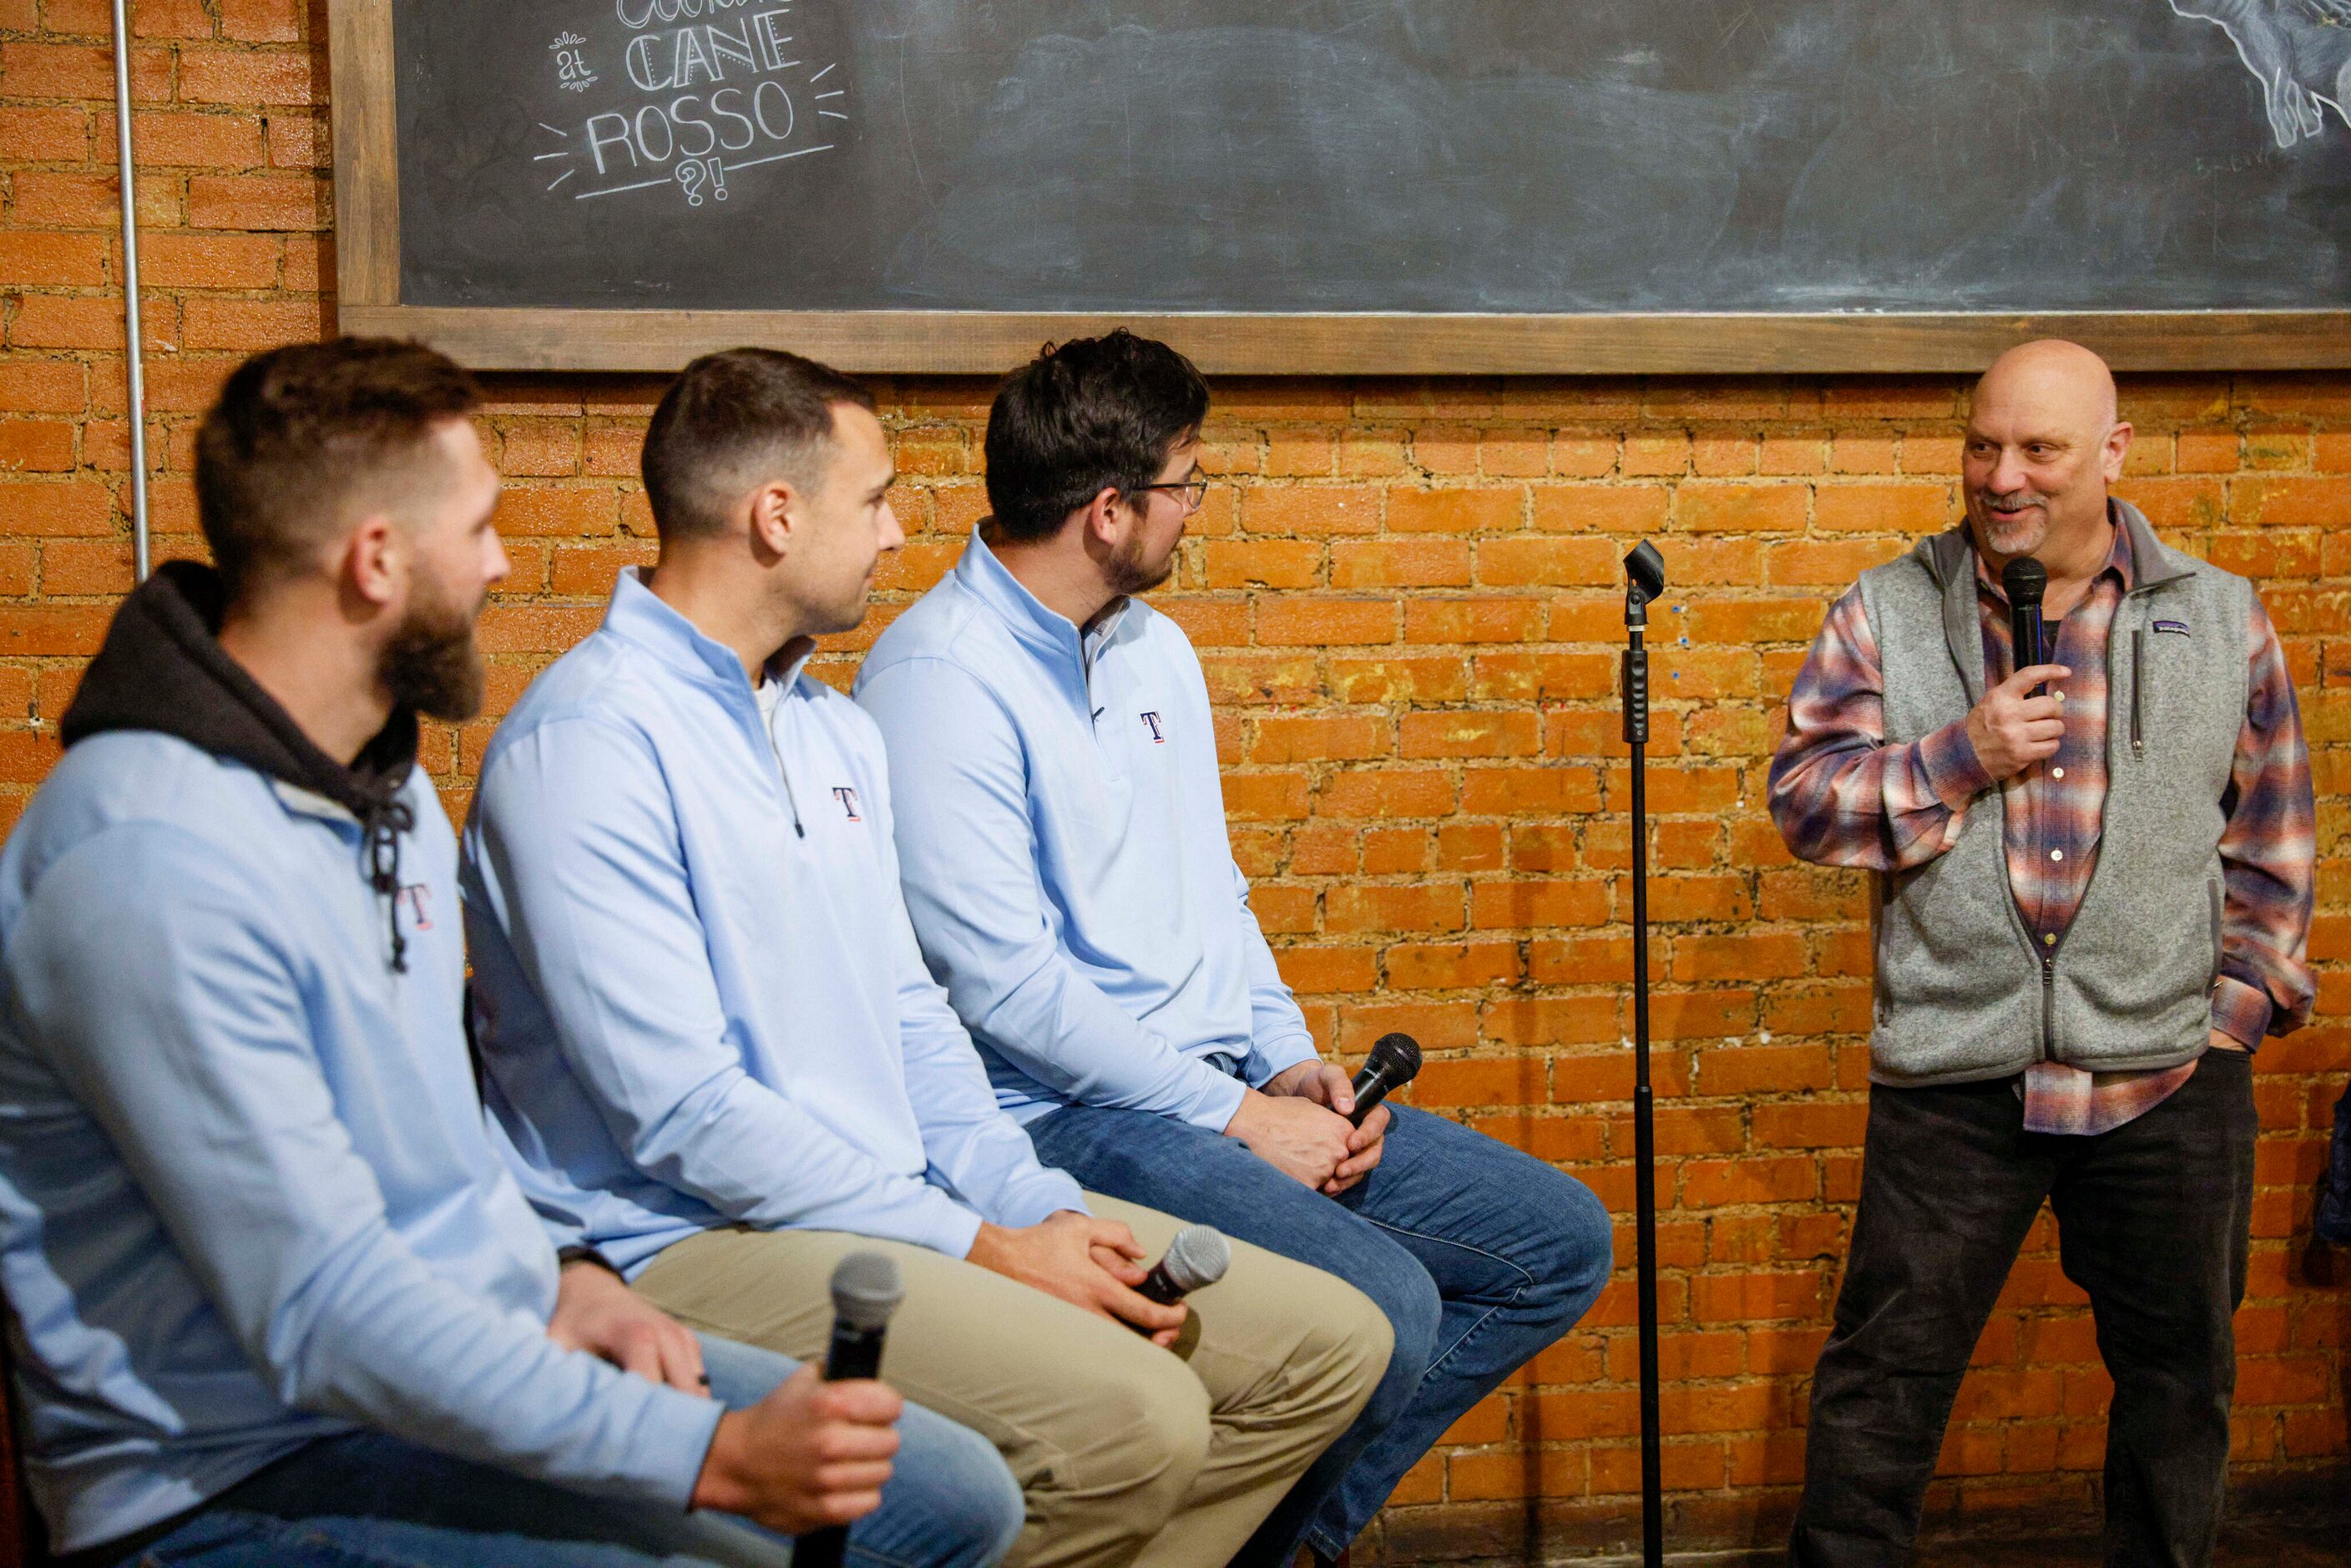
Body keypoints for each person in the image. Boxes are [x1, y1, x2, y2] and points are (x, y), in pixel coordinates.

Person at [0, 338, 1023, 1568]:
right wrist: (707, 1456)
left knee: (954, 1498)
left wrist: (567, 1272)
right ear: (377, 560)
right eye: (479, 529)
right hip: (237, 1474)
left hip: (458, 1349)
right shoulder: (151, 861)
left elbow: (442, 1144)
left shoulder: (383, 795)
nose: (501, 564)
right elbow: (325, 1313)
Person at [461, 346, 1391, 1568]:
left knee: (1336, 1345)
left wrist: (1030, 1201)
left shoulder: (829, 730)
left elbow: (915, 1019)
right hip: (683, 1238)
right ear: (775, 516)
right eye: (877, 498)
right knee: (1139, 1419)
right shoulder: (587, 744)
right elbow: (686, 1117)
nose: (901, 534)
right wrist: (984, 1246)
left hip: (893, 1198)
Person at [852, 330, 1615, 1568]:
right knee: (1392, 1303)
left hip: (1213, 1087)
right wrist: (1235, 1117)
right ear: (1109, 512)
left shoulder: (1157, 648)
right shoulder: (937, 679)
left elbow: (1219, 894)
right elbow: (1008, 989)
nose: (1194, 511)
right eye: (1185, 484)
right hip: (1067, 1114)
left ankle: (1276, 1540)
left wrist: (1292, 1065)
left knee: (1555, 1242)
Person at [1767, 339, 2315, 1568]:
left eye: (2038, 448)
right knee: (1882, 1389)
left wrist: (2230, 1015)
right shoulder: (1885, 608)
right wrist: (1957, 755)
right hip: (1955, 1075)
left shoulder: (2217, 614)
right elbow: (1806, 803)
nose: (2000, 476)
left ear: (2112, 454)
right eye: (1981, 443)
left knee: (2180, 1391)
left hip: (2168, 1074)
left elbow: (2274, 832)